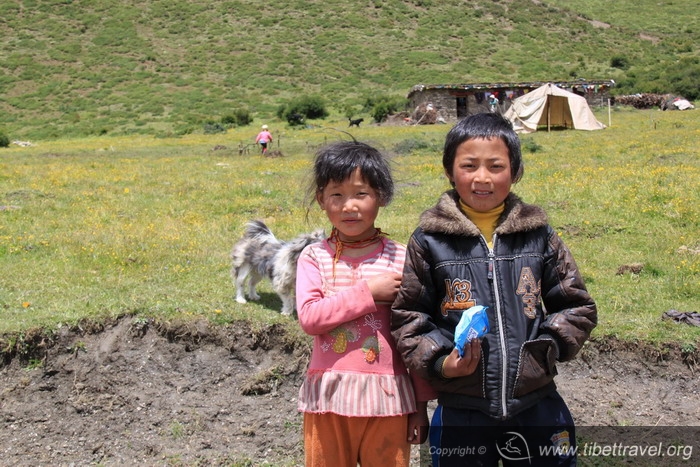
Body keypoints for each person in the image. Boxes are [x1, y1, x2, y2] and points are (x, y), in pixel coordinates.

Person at [391, 113, 597, 467]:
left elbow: (576, 306)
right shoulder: (429, 241)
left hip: (537, 403)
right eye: (469, 165)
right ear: (449, 171)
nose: (482, 178)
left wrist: (544, 349)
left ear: (515, 172)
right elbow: (410, 317)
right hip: (461, 408)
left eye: (495, 166)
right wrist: (442, 362)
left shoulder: (539, 236)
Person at [296, 141, 435, 467]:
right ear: (321, 200)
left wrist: (420, 407)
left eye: (361, 194)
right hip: (328, 400)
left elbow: (415, 334)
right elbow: (309, 318)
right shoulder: (314, 257)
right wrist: (368, 293)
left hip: (389, 401)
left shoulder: (401, 258)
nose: (349, 206)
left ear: (381, 197)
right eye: (337, 195)